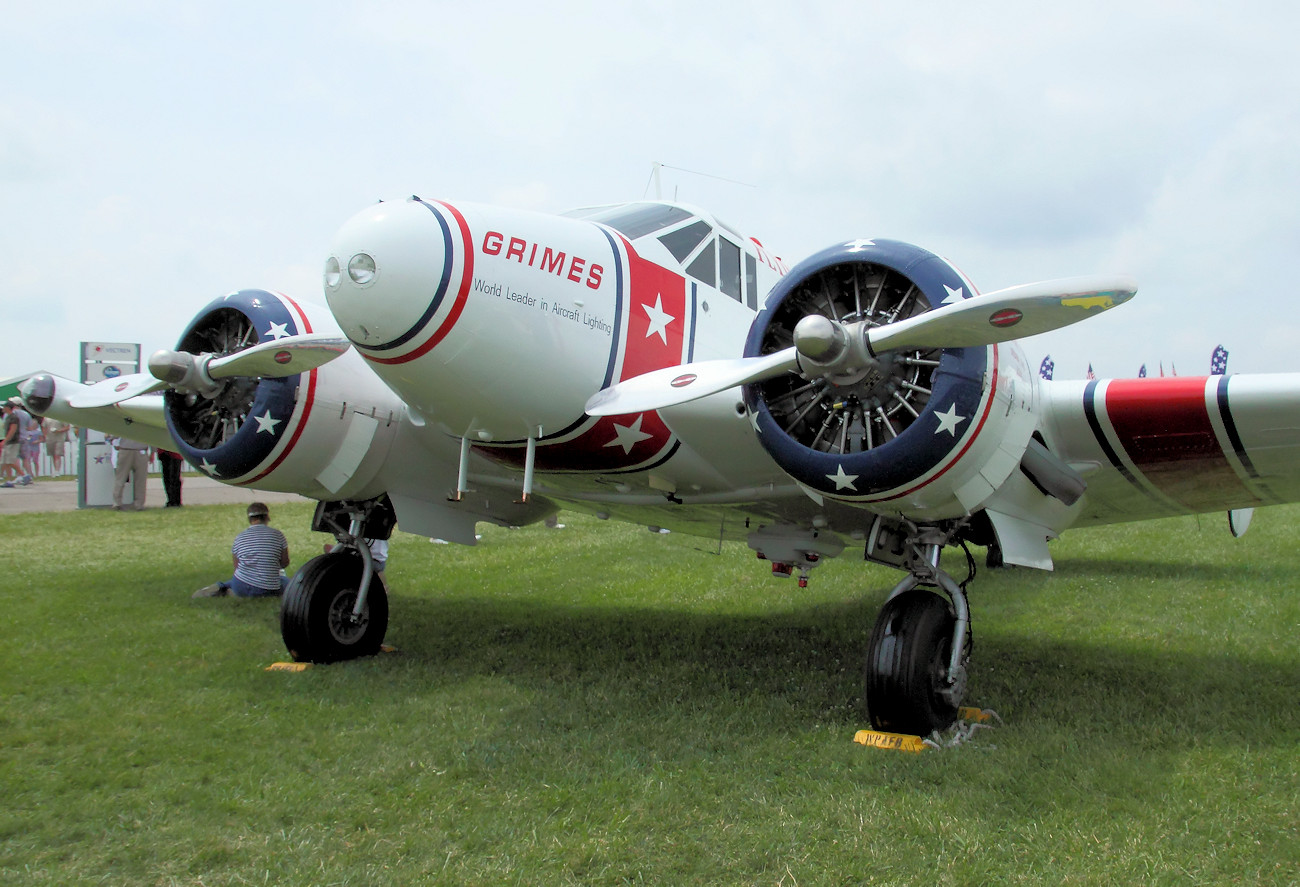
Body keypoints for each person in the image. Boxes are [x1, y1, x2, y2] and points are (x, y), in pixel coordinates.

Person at [193, 502, 290, 597]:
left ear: (249, 519)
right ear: (267, 517)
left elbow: (237, 566)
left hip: (241, 586)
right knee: (286, 581)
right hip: (269, 589)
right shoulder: (278, 535)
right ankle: (230, 590)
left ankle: (220, 587)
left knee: (242, 577)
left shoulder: (240, 537)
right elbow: (285, 562)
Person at [109, 435, 149, 510]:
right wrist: (153, 451)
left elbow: (116, 432)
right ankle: (139, 504)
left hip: (125, 449)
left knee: (120, 478)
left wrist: (112, 440)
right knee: (140, 480)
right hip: (141, 449)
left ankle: (117, 502)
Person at [1, 399, 32, 487]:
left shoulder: (13, 417)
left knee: (11, 461)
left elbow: (13, 430)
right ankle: (9, 480)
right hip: (12, 441)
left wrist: (5, 440)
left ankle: (24, 475)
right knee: (6, 461)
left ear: (8, 408)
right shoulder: (8, 416)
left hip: (13, 441)